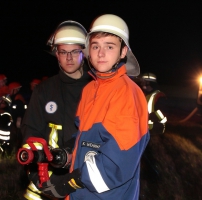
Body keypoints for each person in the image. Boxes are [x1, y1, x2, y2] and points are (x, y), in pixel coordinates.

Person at [33, 14, 150, 200]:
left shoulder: (127, 94)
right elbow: (83, 136)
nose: (100, 53)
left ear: (123, 52)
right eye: (95, 46)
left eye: (109, 46)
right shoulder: (90, 89)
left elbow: (116, 165)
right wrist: (68, 152)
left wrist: (69, 182)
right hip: (82, 193)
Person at [20, 20, 90, 200]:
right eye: (63, 52)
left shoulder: (96, 89)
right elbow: (31, 130)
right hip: (50, 175)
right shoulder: (44, 90)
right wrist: (39, 174)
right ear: (56, 54)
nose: (69, 58)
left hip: (86, 177)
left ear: (85, 52)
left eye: (75, 51)